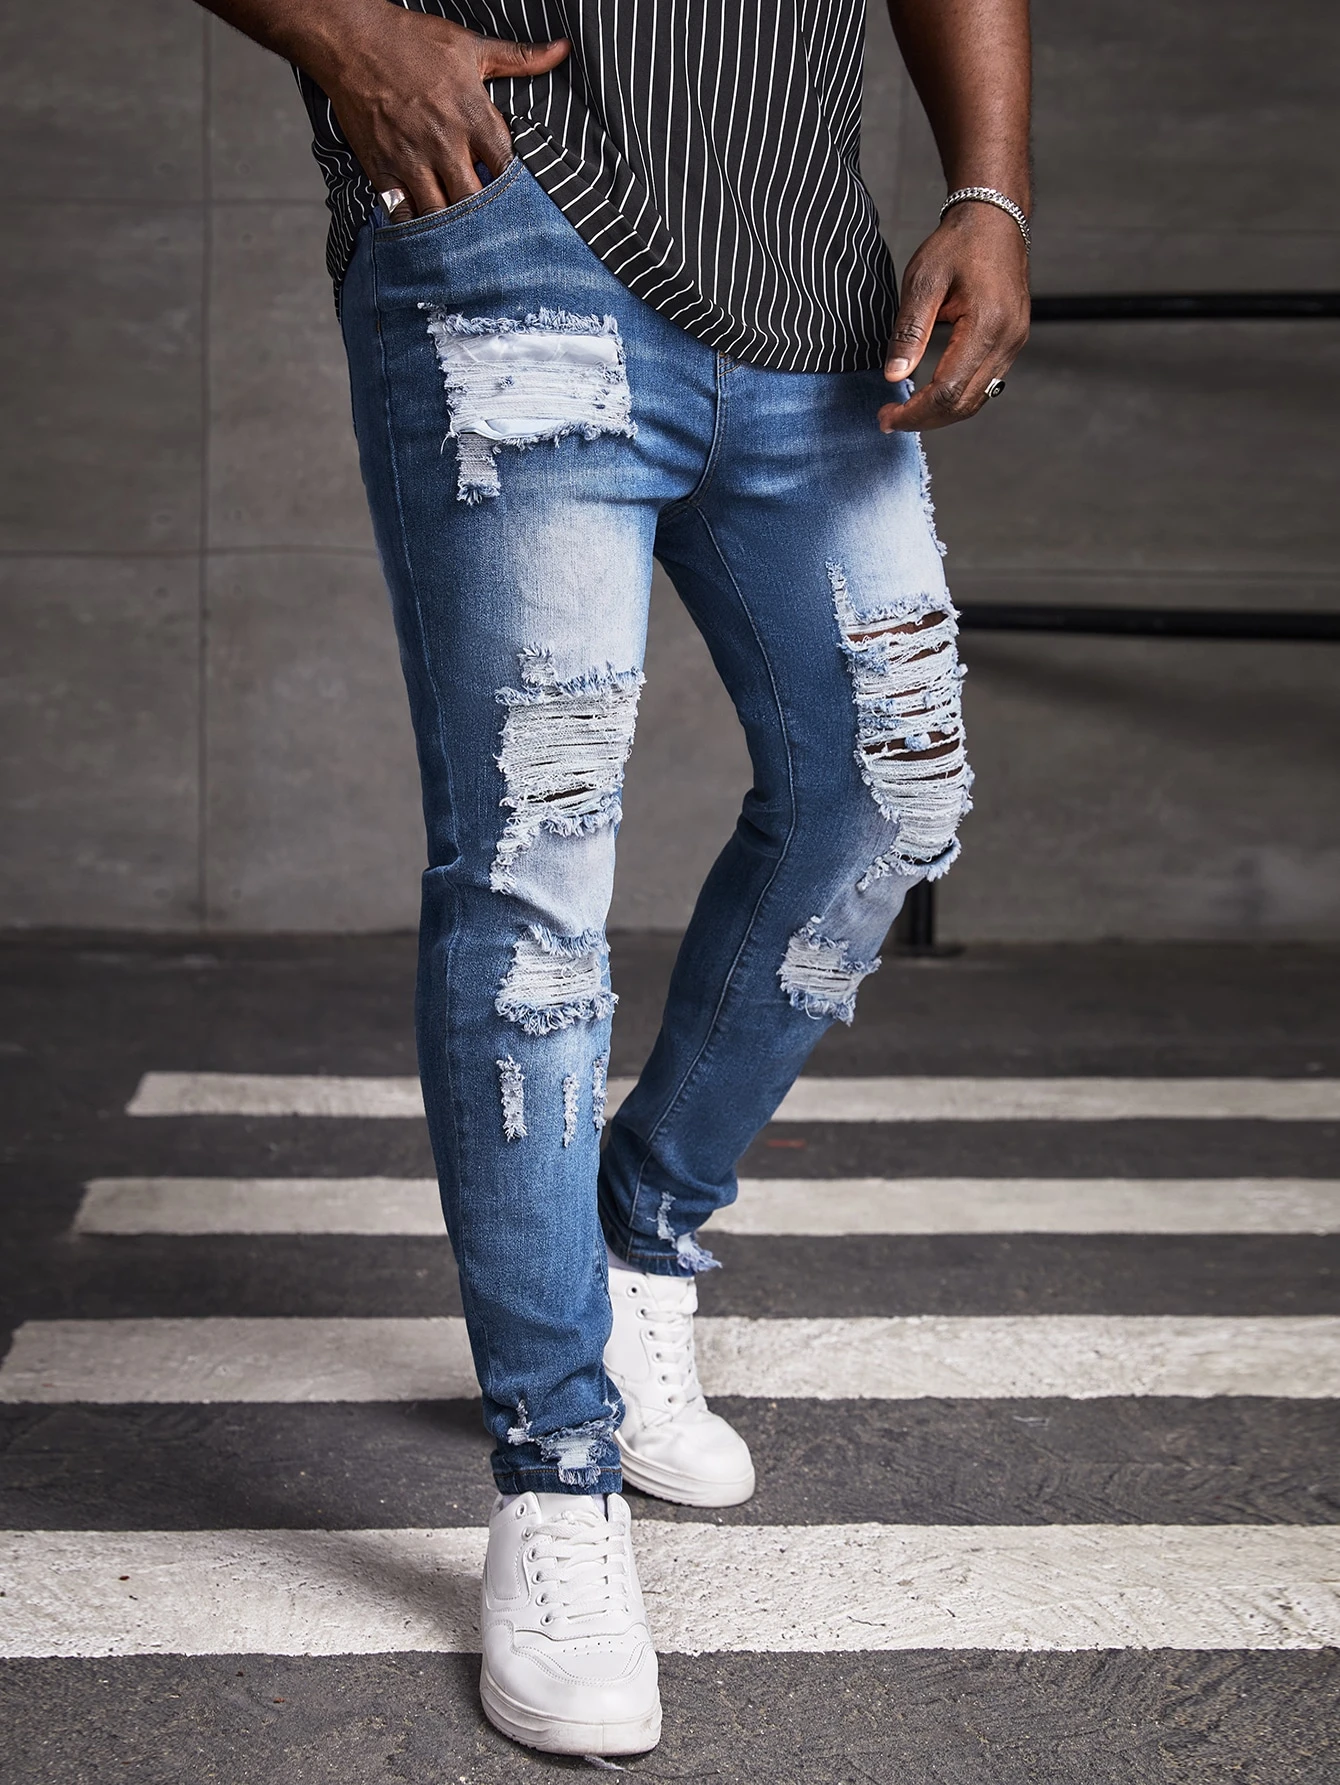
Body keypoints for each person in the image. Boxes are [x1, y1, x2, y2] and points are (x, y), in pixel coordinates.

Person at [196, 0, 1031, 1756]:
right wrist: (344, 37)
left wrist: (990, 189)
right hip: (519, 232)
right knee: (534, 878)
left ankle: (636, 1241)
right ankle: (555, 1473)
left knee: (887, 798)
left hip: (815, 279)